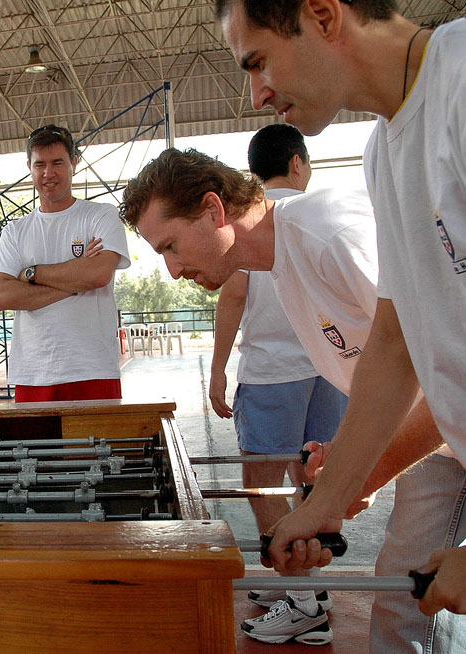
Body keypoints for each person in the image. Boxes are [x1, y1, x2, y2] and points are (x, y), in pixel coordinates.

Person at [215, 0, 466, 646]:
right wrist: (328, 501)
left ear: (324, 16)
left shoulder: (462, 82)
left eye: (259, 61)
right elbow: (395, 341)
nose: (255, 95)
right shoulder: (385, 153)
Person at [120, 147, 438, 645]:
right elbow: (389, 380)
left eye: (170, 246)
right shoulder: (283, 259)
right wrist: (346, 465)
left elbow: (442, 370)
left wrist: (342, 487)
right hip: (442, 436)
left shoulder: (329, 235)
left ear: (213, 210)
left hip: (449, 424)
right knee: (405, 595)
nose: (172, 270)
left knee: (414, 595)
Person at [209, 124, 347, 627]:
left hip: (271, 371)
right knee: (313, 474)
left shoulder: (254, 217)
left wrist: (219, 368)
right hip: (329, 365)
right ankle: (306, 584)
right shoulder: (315, 215)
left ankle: (301, 599)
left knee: (263, 483)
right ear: (297, 162)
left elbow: (234, 294)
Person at [0, 125, 130, 402]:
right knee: (35, 448)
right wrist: (76, 279)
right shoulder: (15, 230)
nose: (48, 173)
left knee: (99, 447)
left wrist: (31, 274)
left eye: (57, 163)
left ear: (74, 163)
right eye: (39, 164)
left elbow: (99, 274)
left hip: (93, 369)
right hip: (33, 373)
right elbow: (2, 295)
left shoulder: (101, 216)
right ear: (29, 167)